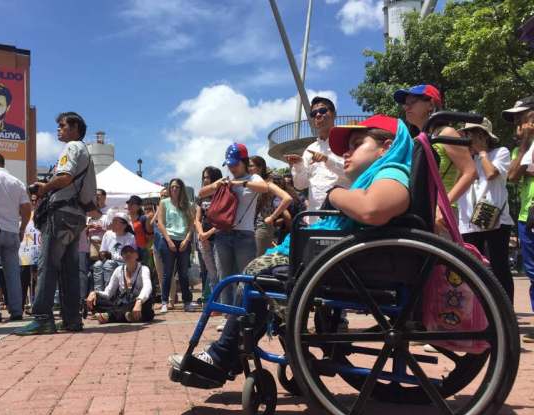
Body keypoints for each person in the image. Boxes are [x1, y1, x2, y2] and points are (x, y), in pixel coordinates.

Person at [171, 115, 413, 382]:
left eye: (357, 144)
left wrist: (334, 193)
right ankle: (241, 351)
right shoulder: (376, 177)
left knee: (259, 279)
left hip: (347, 265)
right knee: (258, 276)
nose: (346, 152)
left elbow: (372, 210)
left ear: (386, 147)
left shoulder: (393, 172)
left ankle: (224, 354)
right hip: (340, 259)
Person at [15, 112, 96, 335]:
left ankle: (42, 318)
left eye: (62, 125)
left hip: (61, 214)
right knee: (69, 270)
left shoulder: (71, 147)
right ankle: (71, 319)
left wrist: (43, 188)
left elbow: (65, 177)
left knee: (47, 266)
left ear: (75, 127)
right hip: (77, 215)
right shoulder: (85, 151)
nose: (58, 129)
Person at [393, 84, 476, 231]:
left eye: (412, 102)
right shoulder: (417, 140)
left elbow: (470, 172)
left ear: (430, 104)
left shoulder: (446, 133)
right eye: (405, 104)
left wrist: (443, 207)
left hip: (441, 214)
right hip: (420, 213)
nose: (406, 107)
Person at [198, 144, 268, 309]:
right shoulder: (225, 180)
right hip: (223, 234)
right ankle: (228, 314)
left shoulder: (253, 179)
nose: (232, 167)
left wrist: (241, 184)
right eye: (229, 164)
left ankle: (244, 311)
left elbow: (264, 188)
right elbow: (201, 193)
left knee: (244, 277)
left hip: (245, 235)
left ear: (244, 162)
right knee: (224, 277)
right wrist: (216, 185)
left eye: (235, 164)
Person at [457, 118, 514, 302]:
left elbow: (491, 174)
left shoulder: (501, 153)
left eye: (471, 135)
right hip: (468, 223)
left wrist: (482, 152)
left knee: (499, 268)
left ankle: (506, 313)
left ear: (483, 136)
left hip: (495, 220)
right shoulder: (466, 160)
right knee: (472, 271)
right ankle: (480, 315)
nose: (467, 139)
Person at [0, 152, 31, 322]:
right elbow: (26, 208)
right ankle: (17, 311)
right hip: (12, 230)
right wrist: (22, 228)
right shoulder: (17, 182)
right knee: (13, 273)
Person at [283, 97, 349, 212]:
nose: (318, 115)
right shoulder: (310, 149)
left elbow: (353, 174)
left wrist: (327, 160)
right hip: (315, 217)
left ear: (334, 114)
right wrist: (298, 165)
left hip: (342, 215)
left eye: (323, 111)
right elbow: (300, 185)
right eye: (314, 113)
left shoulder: (347, 142)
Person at [504, 96, 534, 342]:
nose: (517, 124)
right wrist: (525, 144)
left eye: (521, 118)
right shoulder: (519, 149)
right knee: (533, 273)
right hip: (527, 218)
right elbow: (512, 175)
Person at [156, 178, 197, 313]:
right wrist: (169, 241)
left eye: (177, 187)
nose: (174, 189)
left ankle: (187, 301)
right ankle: (164, 301)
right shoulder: (164, 203)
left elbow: (192, 225)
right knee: (168, 273)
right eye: (172, 187)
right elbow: (160, 223)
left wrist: (186, 240)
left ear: (181, 189)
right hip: (168, 239)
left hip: (183, 240)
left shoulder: (189, 204)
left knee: (184, 273)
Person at [85, 244, 154, 323]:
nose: (128, 254)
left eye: (131, 251)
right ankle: (127, 316)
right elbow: (108, 293)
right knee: (95, 300)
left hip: (137, 303)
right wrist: (94, 293)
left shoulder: (144, 269)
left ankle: (110, 316)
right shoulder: (118, 270)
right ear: (122, 256)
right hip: (122, 304)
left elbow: (147, 287)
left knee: (147, 304)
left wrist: (139, 301)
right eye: (124, 252)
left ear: (137, 255)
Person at [248, 156, 293, 255]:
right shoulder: (252, 183)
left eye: (251, 166)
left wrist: (272, 217)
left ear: (260, 168)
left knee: (257, 261)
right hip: (251, 227)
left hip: (262, 226)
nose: (248, 168)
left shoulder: (268, 184)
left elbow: (287, 199)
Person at [195, 167, 223, 300]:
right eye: (204, 177)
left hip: (219, 237)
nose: (206, 180)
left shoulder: (223, 194)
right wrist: (201, 233)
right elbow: (197, 218)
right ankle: (215, 301)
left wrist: (209, 233)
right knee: (211, 273)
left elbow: (224, 219)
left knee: (220, 271)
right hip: (204, 239)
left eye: (208, 177)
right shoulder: (202, 196)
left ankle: (223, 301)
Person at [97, 212, 136, 289]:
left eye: (115, 222)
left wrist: (111, 256)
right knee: (97, 265)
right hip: (108, 261)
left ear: (124, 225)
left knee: (109, 264)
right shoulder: (108, 234)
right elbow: (102, 250)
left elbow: (128, 258)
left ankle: (108, 292)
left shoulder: (130, 237)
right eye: (112, 221)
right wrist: (102, 254)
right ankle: (98, 292)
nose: (112, 224)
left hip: (123, 263)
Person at [18, 195, 40, 312]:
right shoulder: (27, 214)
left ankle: (36, 305)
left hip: (39, 252)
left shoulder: (44, 213)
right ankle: (20, 305)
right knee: (23, 279)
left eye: (37, 199)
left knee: (37, 280)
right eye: (32, 200)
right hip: (26, 252)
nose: (34, 202)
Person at [126, 195, 153, 266]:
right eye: (129, 203)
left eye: (132, 204)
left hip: (141, 250)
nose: (129, 206)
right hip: (128, 249)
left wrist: (145, 247)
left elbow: (150, 235)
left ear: (139, 207)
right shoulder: (125, 218)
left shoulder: (143, 218)